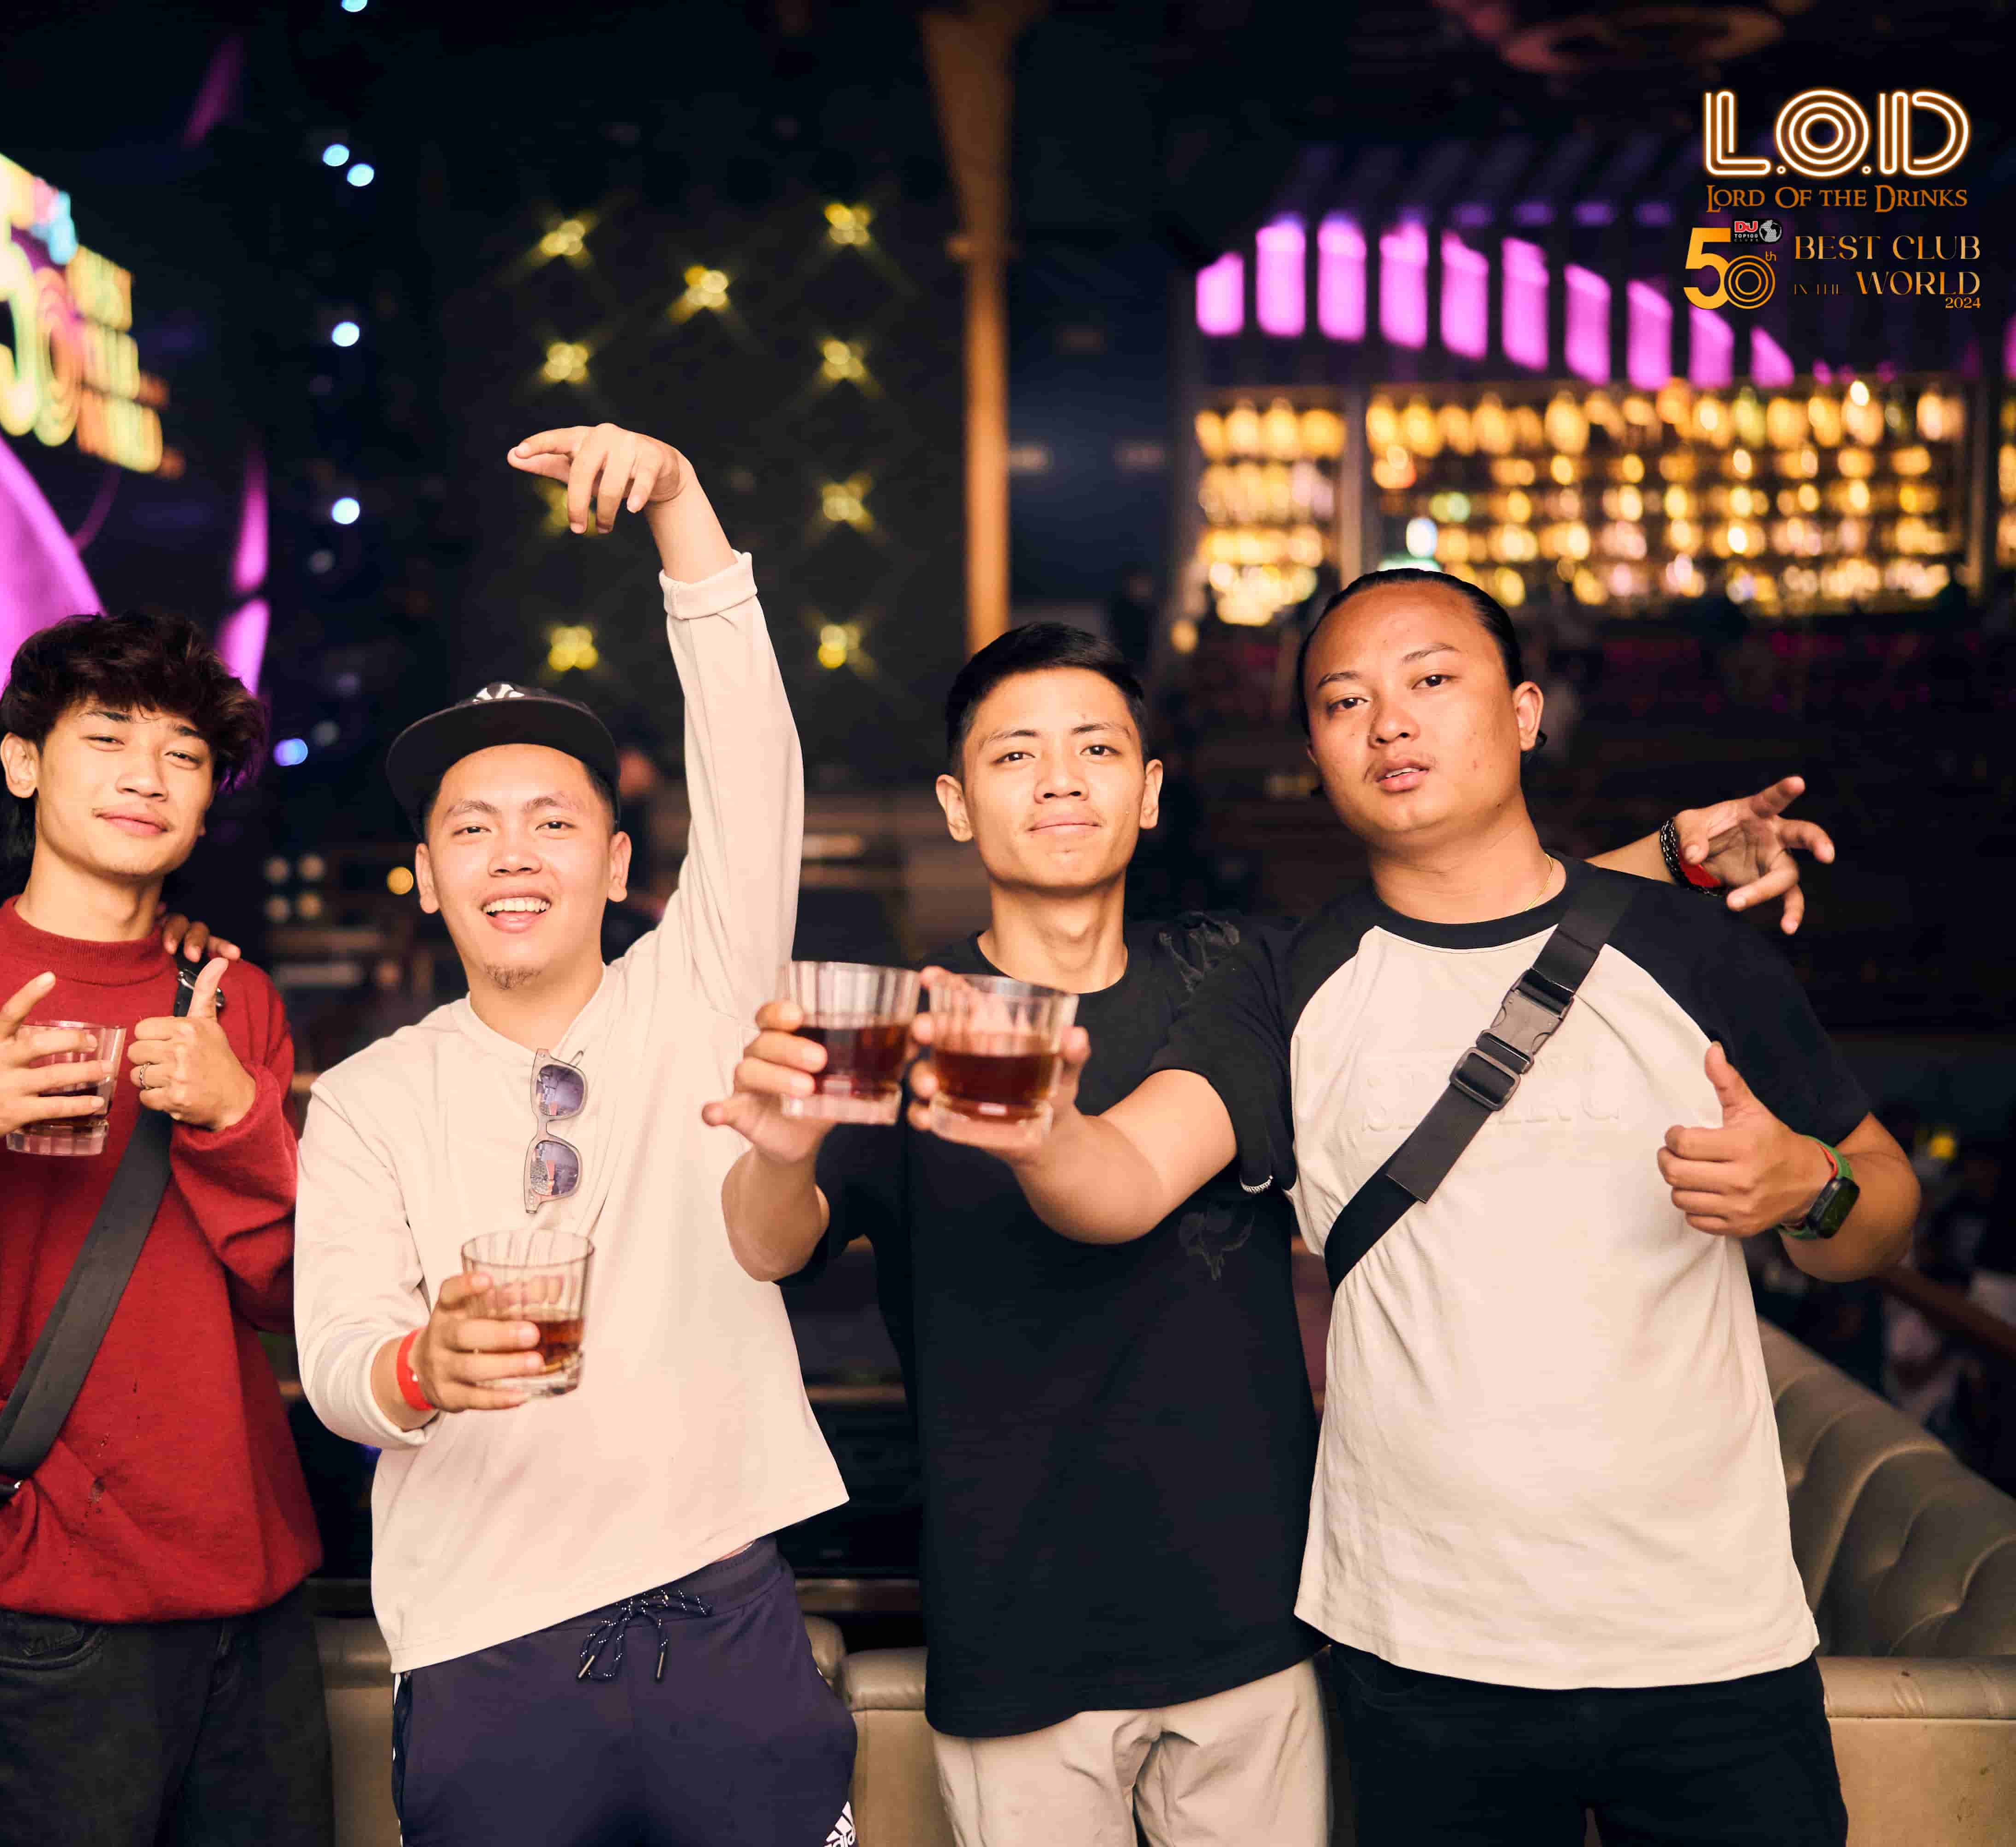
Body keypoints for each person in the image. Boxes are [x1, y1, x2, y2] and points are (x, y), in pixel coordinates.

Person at [708, 620, 1844, 1847]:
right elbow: (773, 1246)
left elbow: (1458, 917)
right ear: (955, 804)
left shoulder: (1239, 975)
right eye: (1015, 755)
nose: (1059, 782)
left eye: (1096, 749)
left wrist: (1669, 860)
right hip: (1010, 1627)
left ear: (1150, 794)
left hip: (1250, 1623)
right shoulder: (908, 1022)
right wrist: (783, 1149)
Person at [293, 423, 858, 1847]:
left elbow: (752, 760)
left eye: (553, 822)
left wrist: (683, 505)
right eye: (471, 830)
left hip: (723, 1614)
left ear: (615, 865)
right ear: (427, 879)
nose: (513, 853)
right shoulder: (367, 1096)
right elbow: (338, 1363)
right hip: (483, 1645)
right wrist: (420, 1366)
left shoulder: (698, 990)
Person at [0, 608, 328, 1847]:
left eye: (184, 755)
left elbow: (297, 1300)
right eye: (109, 739)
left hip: (255, 1590)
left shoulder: (234, 999)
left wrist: (237, 1113)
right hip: (44, 1605)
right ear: (22, 762)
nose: (148, 776)